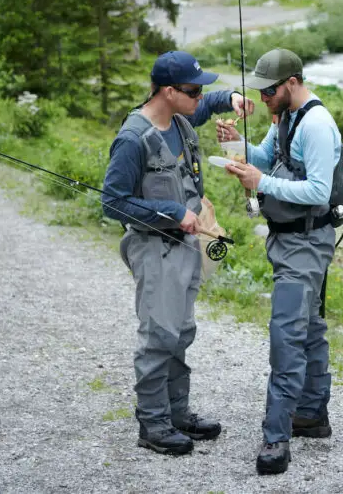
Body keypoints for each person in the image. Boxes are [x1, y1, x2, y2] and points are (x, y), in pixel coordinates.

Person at [102, 50, 254, 456]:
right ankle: (153, 424)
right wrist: (171, 211)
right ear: (168, 91)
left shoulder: (181, 119)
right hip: (154, 247)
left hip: (186, 247)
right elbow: (112, 203)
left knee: (182, 331)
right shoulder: (133, 139)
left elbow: (207, 107)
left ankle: (177, 412)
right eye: (193, 91)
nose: (198, 97)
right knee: (158, 335)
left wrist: (231, 99)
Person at [220, 48, 342, 475]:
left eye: (269, 90)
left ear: (291, 83)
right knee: (308, 327)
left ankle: (276, 438)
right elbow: (263, 160)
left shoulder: (318, 125)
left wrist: (262, 183)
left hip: (308, 244)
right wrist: (235, 147)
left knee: (286, 335)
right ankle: (311, 414)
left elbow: (319, 193)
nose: (264, 97)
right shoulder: (285, 118)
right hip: (288, 241)